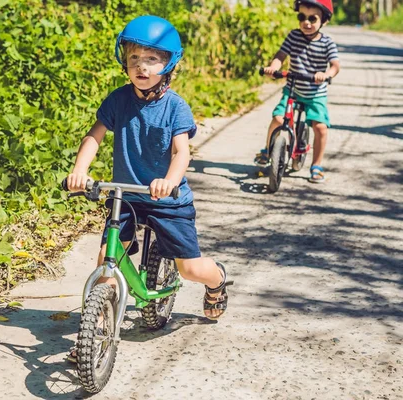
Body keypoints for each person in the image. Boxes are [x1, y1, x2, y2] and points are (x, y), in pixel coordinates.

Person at [65, 15, 230, 361]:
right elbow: (94, 137)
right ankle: (92, 333)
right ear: (124, 61)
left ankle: (216, 281)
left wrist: (169, 180)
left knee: (189, 268)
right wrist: (80, 171)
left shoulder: (175, 107)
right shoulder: (119, 100)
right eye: (134, 58)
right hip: (124, 194)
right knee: (106, 259)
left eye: (151, 59)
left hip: (166, 198)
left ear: (169, 63)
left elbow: (181, 151)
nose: (141, 66)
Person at [254, 0, 340, 183]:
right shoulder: (293, 36)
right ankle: (268, 150)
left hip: (316, 93)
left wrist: (325, 74)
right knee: (278, 119)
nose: (306, 22)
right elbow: (280, 56)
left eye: (312, 18)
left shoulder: (327, 42)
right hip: (293, 89)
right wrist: (273, 67)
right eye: (302, 17)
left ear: (324, 20)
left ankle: (316, 165)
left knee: (320, 128)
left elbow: (335, 65)